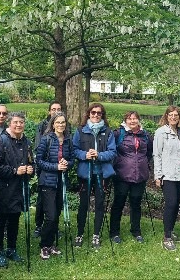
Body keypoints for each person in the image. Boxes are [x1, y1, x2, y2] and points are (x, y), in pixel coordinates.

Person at [0, 112, 35, 268]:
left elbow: (32, 161)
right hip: (3, 189)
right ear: (10, 123)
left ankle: (11, 248)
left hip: (19, 188)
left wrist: (31, 169)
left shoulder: (26, 142)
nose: (19, 125)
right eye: (16, 122)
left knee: (14, 221)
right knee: (1, 221)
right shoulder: (1, 141)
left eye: (21, 122)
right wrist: (15, 170)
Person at [73, 103, 116, 249]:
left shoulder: (108, 131)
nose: (96, 115)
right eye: (93, 112)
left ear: (102, 115)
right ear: (88, 114)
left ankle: (96, 234)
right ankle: (79, 233)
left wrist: (99, 155)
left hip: (102, 174)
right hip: (85, 173)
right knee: (83, 205)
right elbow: (74, 149)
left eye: (99, 113)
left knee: (99, 204)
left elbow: (112, 152)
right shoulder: (81, 130)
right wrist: (85, 155)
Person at [109, 111, 153, 244]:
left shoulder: (145, 135)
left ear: (139, 120)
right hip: (122, 175)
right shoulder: (118, 134)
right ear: (125, 121)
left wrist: (143, 164)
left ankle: (136, 231)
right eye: (130, 119)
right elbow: (112, 151)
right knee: (119, 203)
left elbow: (149, 153)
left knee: (136, 203)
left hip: (140, 175)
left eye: (135, 119)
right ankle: (114, 232)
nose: (132, 121)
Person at [36, 112, 74, 259]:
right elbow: (39, 161)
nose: (61, 125)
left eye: (63, 122)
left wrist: (67, 164)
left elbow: (71, 159)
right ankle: (44, 245)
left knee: (56, 214)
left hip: (61, 182)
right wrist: (56, 167)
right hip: (47, 182)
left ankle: (51, 244)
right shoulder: (46, 140)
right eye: (58, 122)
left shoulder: (68, 141)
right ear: (53, 124)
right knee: (50, 216)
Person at [153, 105, 180, 252]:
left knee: (176, 203)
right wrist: (158, 175)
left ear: (179, 117)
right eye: (170, 115)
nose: (173, 117)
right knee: (171, 204)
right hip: (167, 174)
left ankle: (171, 230)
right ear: (166, 116)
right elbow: (157, 155)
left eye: (176, 115)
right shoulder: (161, 132)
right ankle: (166, 237)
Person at [33, 101, 62, 238]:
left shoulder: (64, 128)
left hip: (59, 171)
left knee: (56, 201)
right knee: (42, 200)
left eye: (58, 109)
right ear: (49, 111)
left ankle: (53, 225)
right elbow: (39, 148)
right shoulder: (42, 126)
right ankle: (39, 225)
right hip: (44, 169)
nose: (56, 111)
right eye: (53, 109)